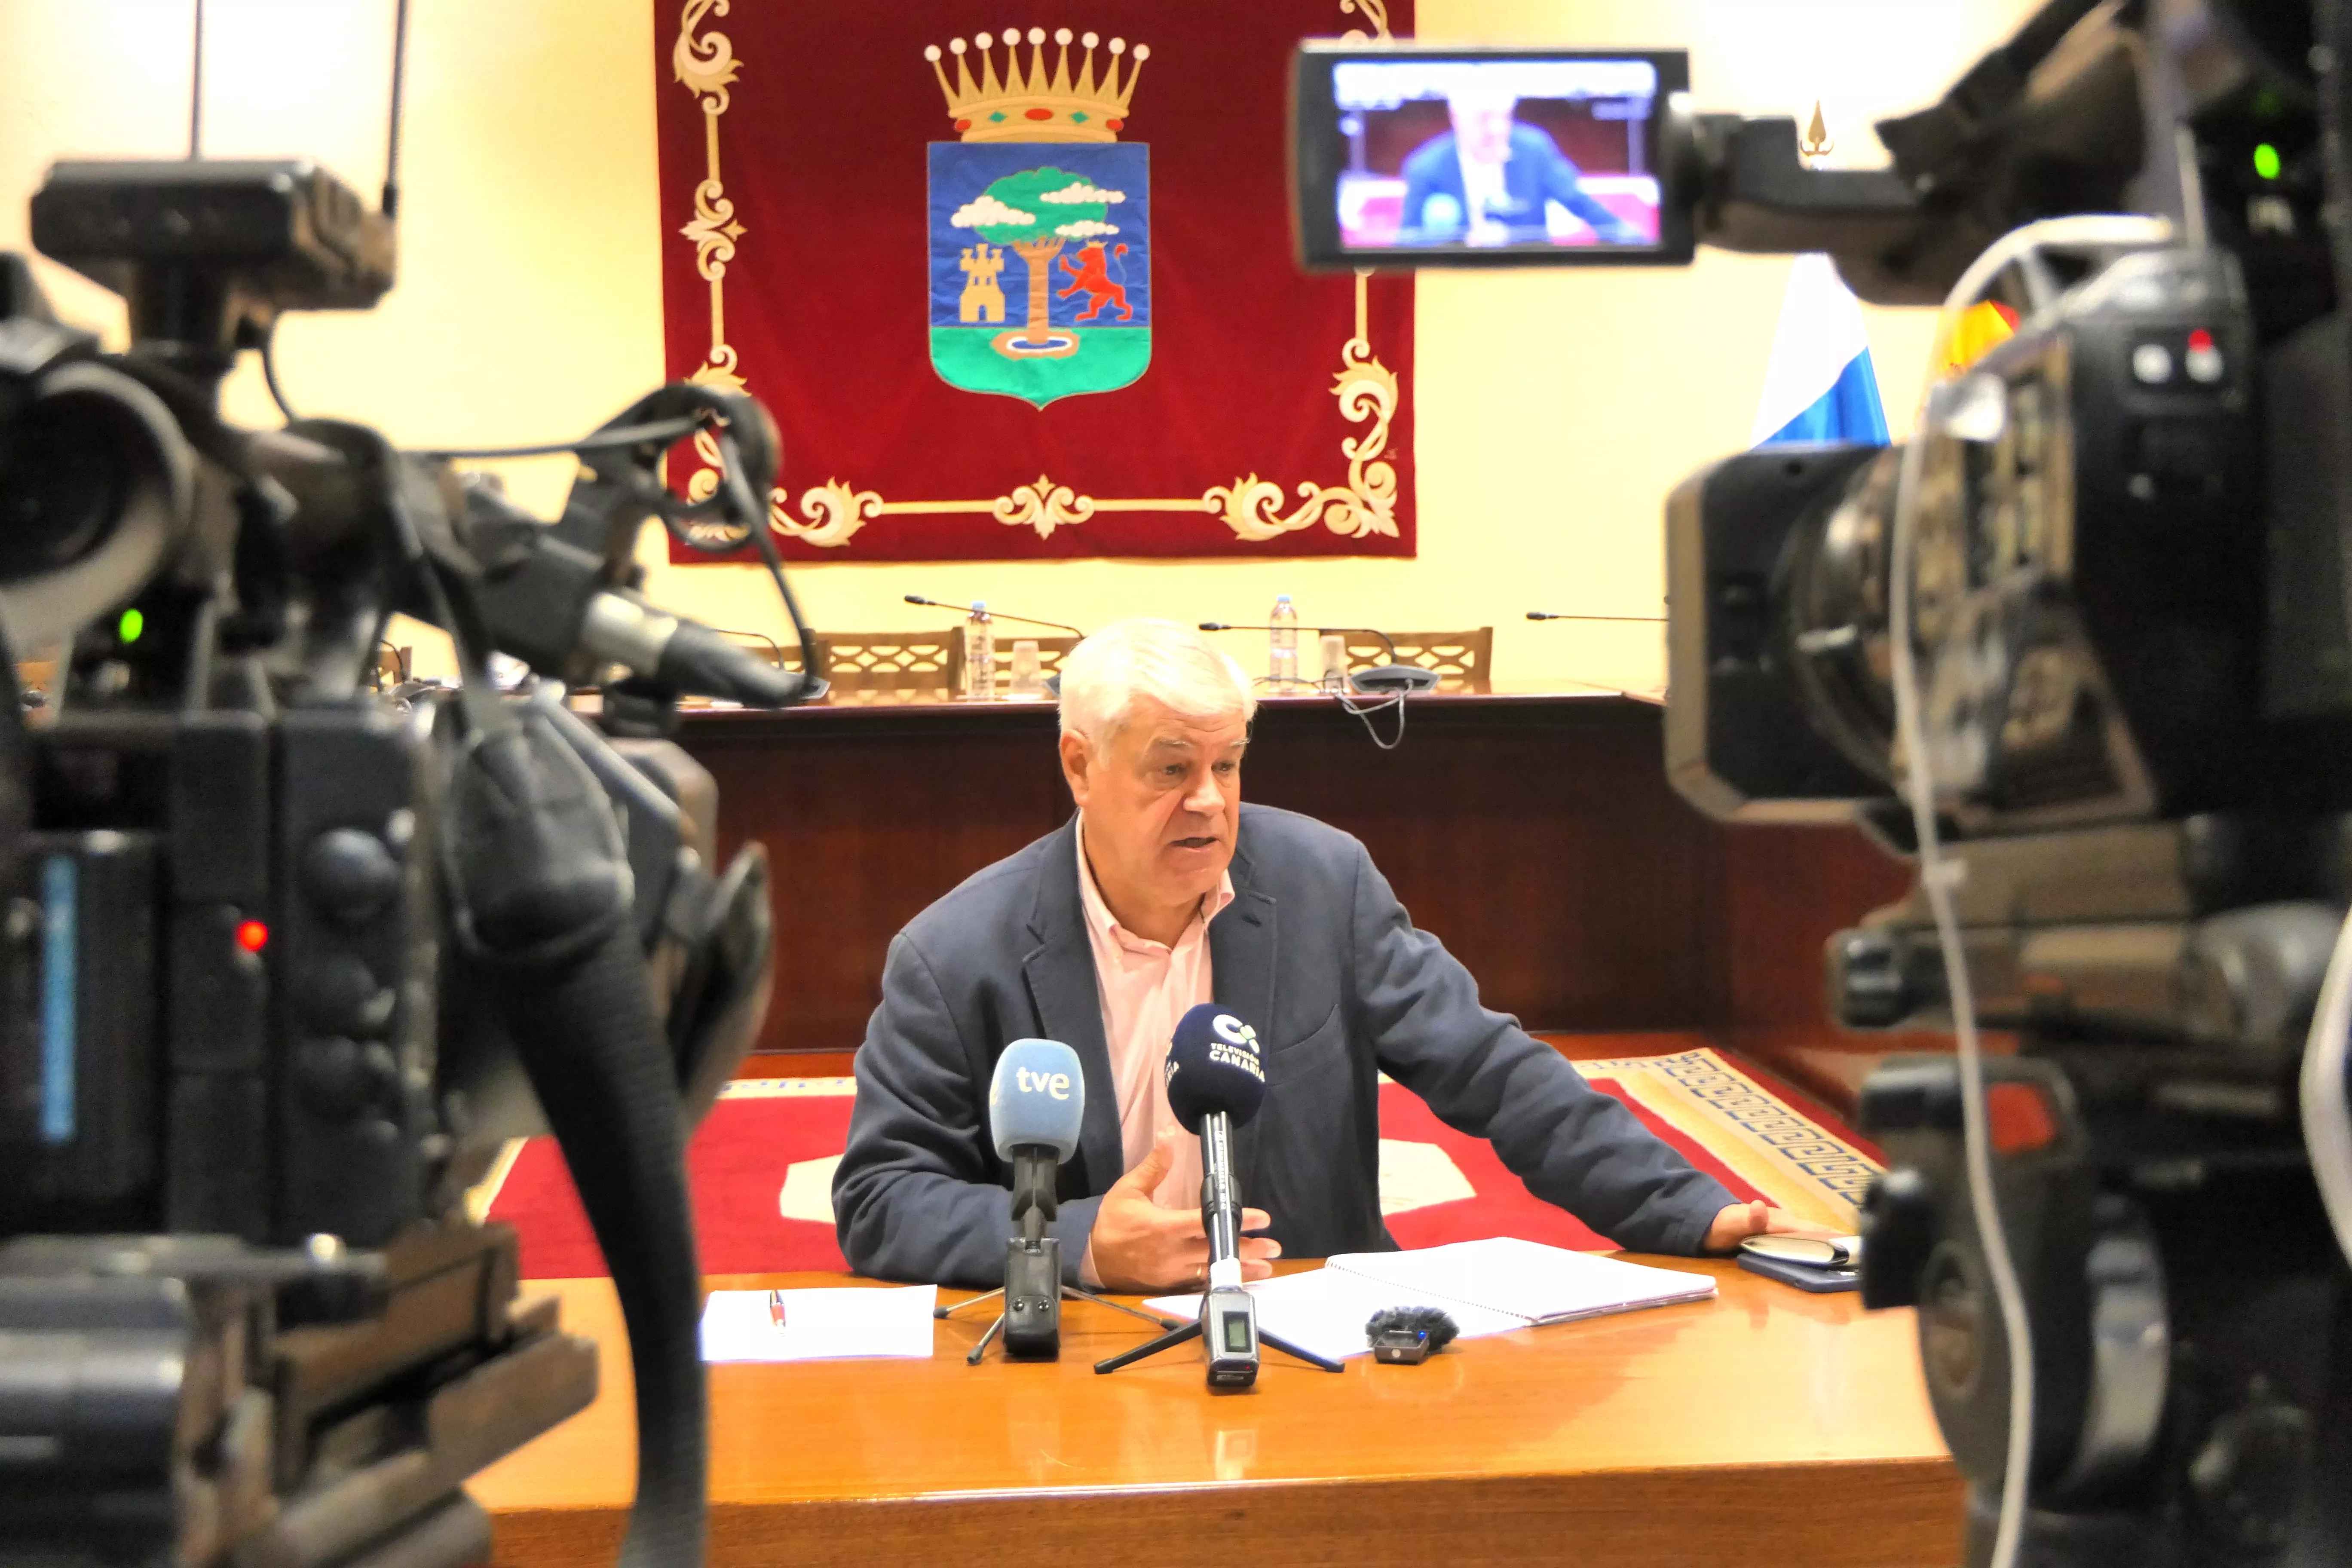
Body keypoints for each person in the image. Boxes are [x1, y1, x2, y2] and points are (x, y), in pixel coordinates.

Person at [832, 619, 1830, 1290]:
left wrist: (1684, 1208)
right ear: (1077, 766)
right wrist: (1079, 1243)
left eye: (1226, 764)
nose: (1211, 801)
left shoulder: (1320, 883)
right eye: (1171, 770)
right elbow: (881, 1200)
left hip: (1310, 1324)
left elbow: (1489, 1068)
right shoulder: (953, 953)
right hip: (1080, 1339)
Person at [1398, 84, 1643, 246]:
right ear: (1456, 118)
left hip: (1531, 280)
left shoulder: (1535, 149)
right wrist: (1461, 243)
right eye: (1484, 118)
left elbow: (1580, 203)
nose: (1496, 130)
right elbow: (1406, 243)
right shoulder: (1426, 168)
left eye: (1503, 117)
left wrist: (1629, 239)